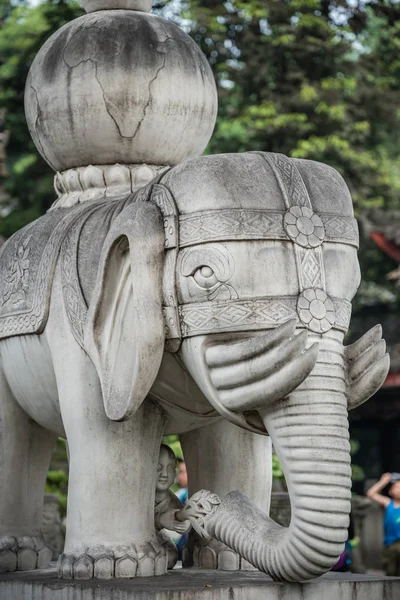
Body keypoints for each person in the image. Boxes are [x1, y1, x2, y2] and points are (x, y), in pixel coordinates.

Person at [367, 472, 400, 576]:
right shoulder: (388, 504)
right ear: (390, 491)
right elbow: (371, 494)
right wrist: (383, 481)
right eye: (397, 487)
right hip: (390, 545)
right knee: (390, 573)